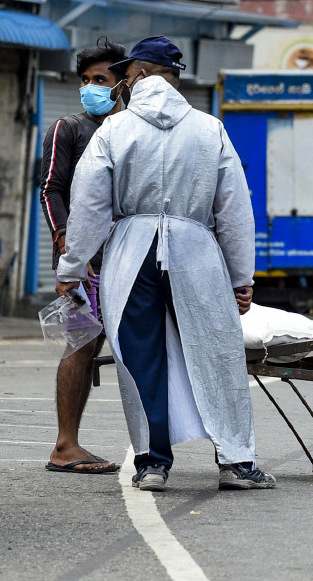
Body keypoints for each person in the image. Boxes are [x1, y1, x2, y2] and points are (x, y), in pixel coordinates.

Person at [55, 36, 275, 492]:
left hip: (131, 253)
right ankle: (236, 462)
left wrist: (72, 269)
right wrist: (241, 277)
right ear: (174, 77)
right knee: (216, 353)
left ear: (138, 74)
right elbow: (234, 209)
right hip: (195, 249)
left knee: (141, 357)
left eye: (125, 75)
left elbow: (89, 206)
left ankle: (152, 463)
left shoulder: (113, 131)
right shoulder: (209, 128)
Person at [40, 38, 128, 475]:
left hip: (126, 259)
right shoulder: (68, 128)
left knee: (126, 345)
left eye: (100, 80)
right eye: (86, 80)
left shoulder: (130, 129)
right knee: (82, 344)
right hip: (83, 265)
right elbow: (50, 189)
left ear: (122, 85)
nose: (90, 87)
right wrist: (67, 250)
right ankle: (65, 445)